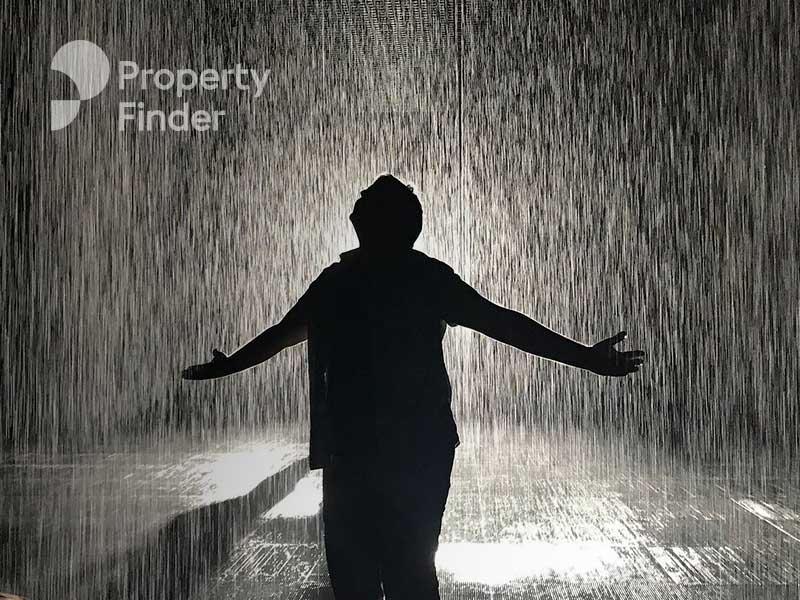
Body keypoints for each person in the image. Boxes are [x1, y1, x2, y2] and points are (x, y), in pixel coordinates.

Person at [181, 173, 646, 599]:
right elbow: (504, 324)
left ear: (379, 222)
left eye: (364, 203)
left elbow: (281, 335)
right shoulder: (418, 279)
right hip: (413, 446)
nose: (353, 208)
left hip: (357, 447)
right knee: (406, 570)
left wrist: (231, 367)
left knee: (360, 573)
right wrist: (584, 358)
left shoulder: (344, 283)